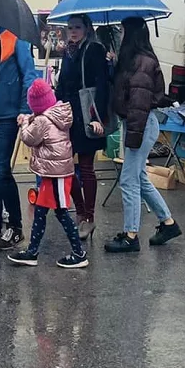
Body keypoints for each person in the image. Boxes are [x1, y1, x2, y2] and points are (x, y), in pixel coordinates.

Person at [103, 17, 181, 253]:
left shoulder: (142, 63)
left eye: (123, 31)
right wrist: (113, 66)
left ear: (132, 34)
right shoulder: (133, 61)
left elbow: (138, 104)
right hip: (138, 124)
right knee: (140, 178)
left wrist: (132, 138)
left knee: (128, 180)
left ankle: (131, 235)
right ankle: (168, 223)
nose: (121, 35)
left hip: (141, 125)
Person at [7, 79, 88, 268]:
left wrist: (24, 122)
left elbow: (29, 137)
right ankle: (32, 251)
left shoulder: (43, 120)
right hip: (56, 172)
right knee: (41, 211)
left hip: (55, 174)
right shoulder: (57, 113)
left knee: (60, 212)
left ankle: (79, 253)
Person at [0, 26, 41, 249]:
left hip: (7, 116)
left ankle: (15, 226)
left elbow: (29, 74)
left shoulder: (16, 38)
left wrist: (25, 108)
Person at [54, 14, 110, 240]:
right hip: (69, 114)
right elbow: (62, 84)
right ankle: (80, 211)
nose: (73, 31)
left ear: (87, 28)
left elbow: (102, 85)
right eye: (69, 28)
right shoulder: (68, 52)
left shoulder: (94, 49)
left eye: (77, 27)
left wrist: (99, 117)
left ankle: (89, 217)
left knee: (86, 167)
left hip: (88, 113)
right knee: (65, 167)